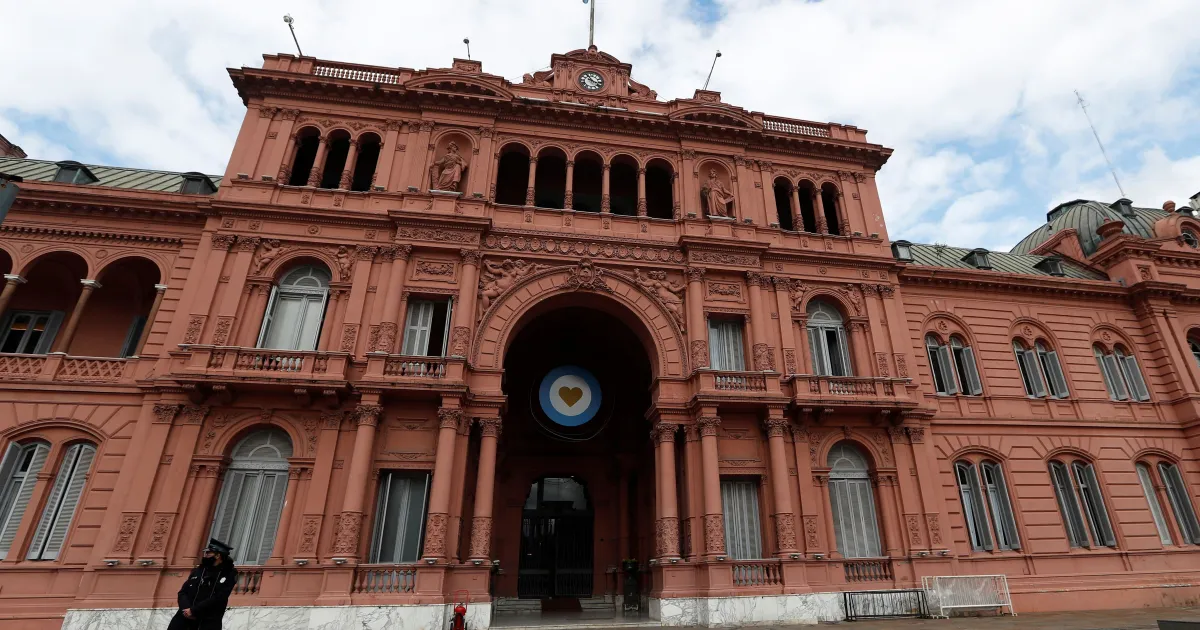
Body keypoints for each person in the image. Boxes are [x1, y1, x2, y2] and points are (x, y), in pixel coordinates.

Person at [168, 538, 238, 630]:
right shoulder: (199, 570)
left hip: (207, 621)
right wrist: (186, 610)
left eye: (209, 553)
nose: (206, 555)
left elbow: (219, 597)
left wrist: (194, 611)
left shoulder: (228, 573)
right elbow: (183, 592)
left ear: (218, 556)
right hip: (184, 619)